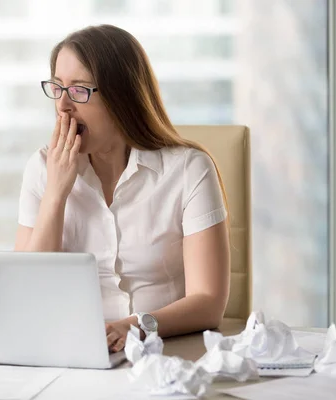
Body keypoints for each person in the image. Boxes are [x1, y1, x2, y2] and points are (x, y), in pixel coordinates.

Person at [14, 24, 230, 353]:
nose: (63, 106)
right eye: (57, 88)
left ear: (121, 96)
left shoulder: (189, 170)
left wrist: (135, 327)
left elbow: (208, 302)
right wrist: (55, 194)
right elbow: (25, 295)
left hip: (166, 353)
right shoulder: (42, 169)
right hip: (71, 353)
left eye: (80, 90)